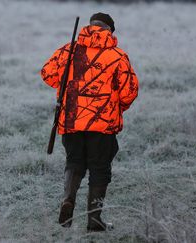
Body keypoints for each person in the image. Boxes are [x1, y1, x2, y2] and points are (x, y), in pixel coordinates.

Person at [40, 12, 139, 232]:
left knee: (74, 162)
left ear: (90, 26)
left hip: (72, 120)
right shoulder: (118, 56)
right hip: (103, 125)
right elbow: (130, 92)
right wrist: (116, 106)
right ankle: (94, 221)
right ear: (109, 31)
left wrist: (65, 86)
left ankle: (68, 199)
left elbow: (47, 73)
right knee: (100, 169)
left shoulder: (69, 49)